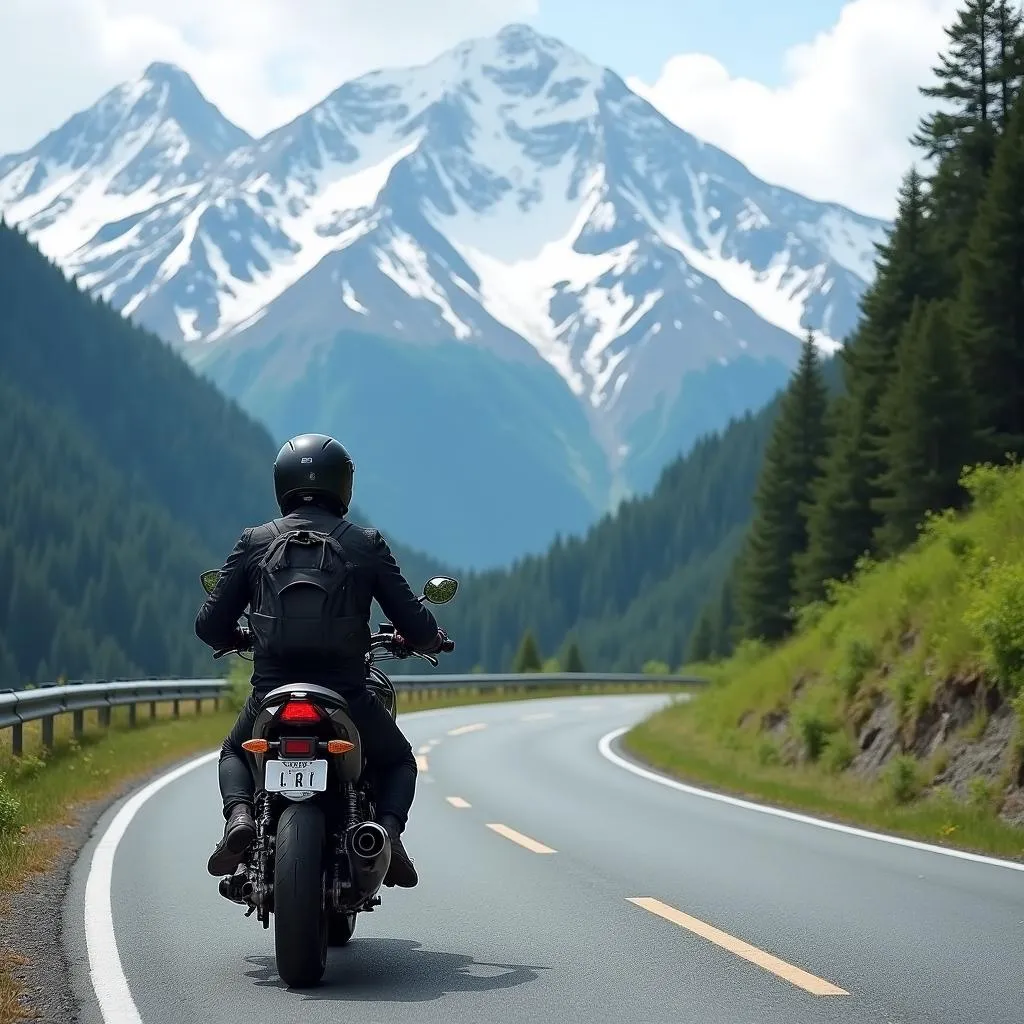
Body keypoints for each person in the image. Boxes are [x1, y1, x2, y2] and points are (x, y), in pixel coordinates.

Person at [195, 432, 450, 888]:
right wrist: (429, 640)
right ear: (343, 485)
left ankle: (238, 820)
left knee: (234, 750)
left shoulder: (255, 541)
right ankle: (385, 838)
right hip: (346, 690)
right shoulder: (364, 543)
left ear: (283, 483)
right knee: (399, 761)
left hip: (272, 689)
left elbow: (209, 626)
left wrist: (239, 636)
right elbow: (413, 620)